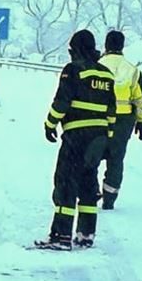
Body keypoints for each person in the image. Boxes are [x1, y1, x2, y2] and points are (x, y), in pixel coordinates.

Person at [35, 30, 117, 250]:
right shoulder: (106, 74)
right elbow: (112, 111)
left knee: (65, 184)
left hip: (76, 137)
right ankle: (86, 234)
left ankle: (60, 236)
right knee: (89, 184)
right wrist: (107, 140)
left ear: (76, 50)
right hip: (98, 139)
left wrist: (50, 124)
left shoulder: (73, 70)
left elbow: (61, 101)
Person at [98, 30, 142, 210]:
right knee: (116, 159)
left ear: (106, 45)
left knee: (92, 155)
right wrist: (141, 121)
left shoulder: (96, 66)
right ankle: (109, 198)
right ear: (122, 46)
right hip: (123, 121)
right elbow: (140, 98)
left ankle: (90, 191)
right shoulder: (133, 70)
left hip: (99, 117)